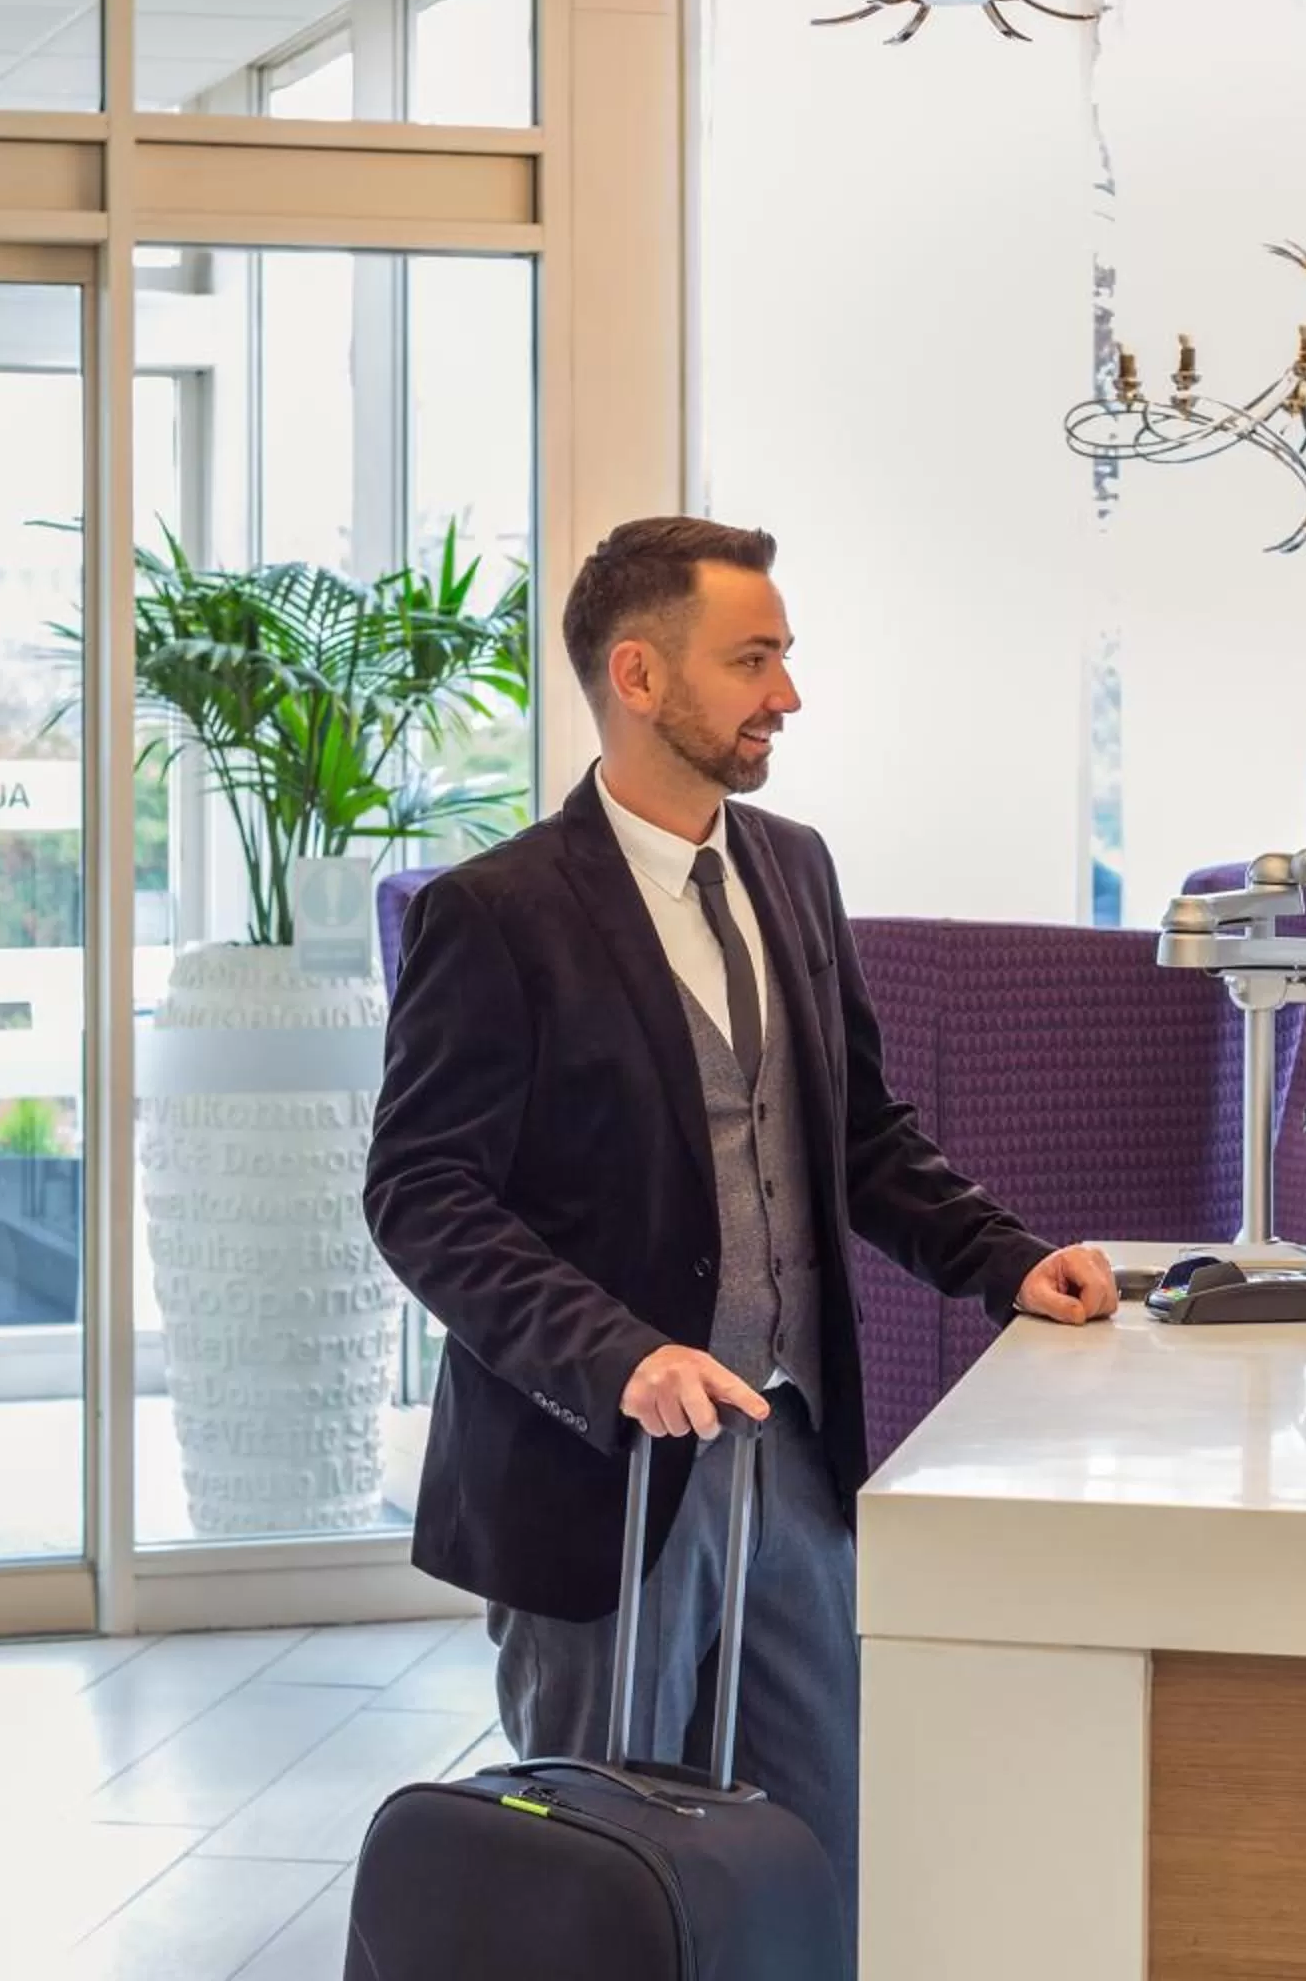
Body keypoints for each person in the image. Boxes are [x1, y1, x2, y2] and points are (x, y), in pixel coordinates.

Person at [364, 515, 1121, 1911]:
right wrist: (615, 1357)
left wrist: (1008, 1262)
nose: (788, 695)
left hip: (792, 1454)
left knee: (823, 1841)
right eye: (754, 659)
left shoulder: (795, 868)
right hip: (603, 1477)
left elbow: (861, 1136)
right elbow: (421, 1196)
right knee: (608, 1874)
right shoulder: (497, 912)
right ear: (641, 677)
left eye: (785, 657)